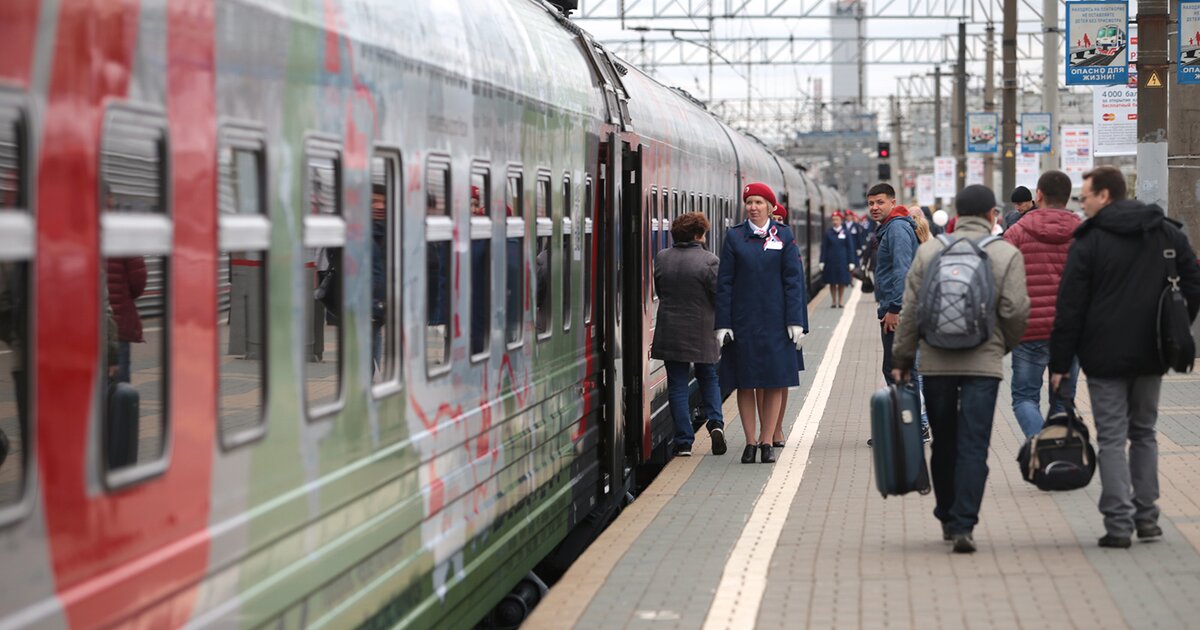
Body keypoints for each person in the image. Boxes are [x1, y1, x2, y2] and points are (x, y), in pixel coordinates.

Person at [1049, 166, 1200, 548]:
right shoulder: (1165, 233)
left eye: (1085, 197)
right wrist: (1175, 328)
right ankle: (1147, 518)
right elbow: (1193, 283)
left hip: (1103, 356)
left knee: (1112, 439)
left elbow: (1070, 308)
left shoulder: (1089, 240)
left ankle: (1118, 525)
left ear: (1104, 195)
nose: (1082, 204)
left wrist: (1060, 363)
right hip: (1153, 351)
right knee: (1145, 432)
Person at [892, 184, 1030, 553]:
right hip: (984, 365)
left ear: (956, 214)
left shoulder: (930, 250)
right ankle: (964, 523)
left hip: (936, 363)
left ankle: (946, 516)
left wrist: (901, 359)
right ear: (991, 215)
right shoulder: (1005, 253)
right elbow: (1017, 311)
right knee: (974, 443)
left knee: (944, 442)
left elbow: (911, 310)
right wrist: (1000, 346)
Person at [715, 182, 808, 464]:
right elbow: (724, 283)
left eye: (758, 202)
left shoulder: (784, 235)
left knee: (773, 381)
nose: (753, 207)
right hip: (743, 322)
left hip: (776, 322)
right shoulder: (734, 237)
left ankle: (767, 441)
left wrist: (796, 321)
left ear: (769, 206)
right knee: (745, 383)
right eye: (749, 202)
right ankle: (750, 442)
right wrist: (723, 323)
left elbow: (793, 281)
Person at [1002, 170, 1081, 438]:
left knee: (1024, 399)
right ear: (1068, 196)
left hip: (1029, 329)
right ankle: (1056, 452)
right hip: (1070, 332)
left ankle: (1039, 446)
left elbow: (1003, 278)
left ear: (1039, 195)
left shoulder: (1016, 232)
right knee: (1062, 401)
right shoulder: (1084, 233)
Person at [652, 212, 726, 457]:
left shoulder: (662, 258)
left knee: (677, 385)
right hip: (702, 331)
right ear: (697, 235)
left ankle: (684, 442)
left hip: (670, 331)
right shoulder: (710, 261)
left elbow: (660, 290)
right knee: (708, 377)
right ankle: (715, 423)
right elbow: (718, 296)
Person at [866, 183, 927, 444]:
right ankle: (910, 425)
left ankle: (911, 427)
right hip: (899, 308)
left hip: (900, 311)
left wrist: (894, 308)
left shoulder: (897, 229)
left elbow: (903, 271)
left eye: (880, 202)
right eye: (871, 203)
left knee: (898, 369)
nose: (874, 207)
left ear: (893, 202)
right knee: (899, 368)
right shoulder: (891, 227)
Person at [106, 256, 147, 383]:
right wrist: (124, 296)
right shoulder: (126, 244)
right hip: (119, 322)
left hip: (86, 325)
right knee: (119, 384)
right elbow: (138, 281)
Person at [820, 211, 855, 308]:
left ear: (841, 221)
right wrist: (822, 261)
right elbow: (824, 248)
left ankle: (841, 300)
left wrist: (851, 261)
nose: (835, 222)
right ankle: (833, 301)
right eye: (833, 220)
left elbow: (850, 248)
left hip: (842, 261)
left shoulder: (846, 233)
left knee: (841, 281)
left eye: (837, 220)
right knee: (832, 282)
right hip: (830, 261)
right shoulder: (828, 233)